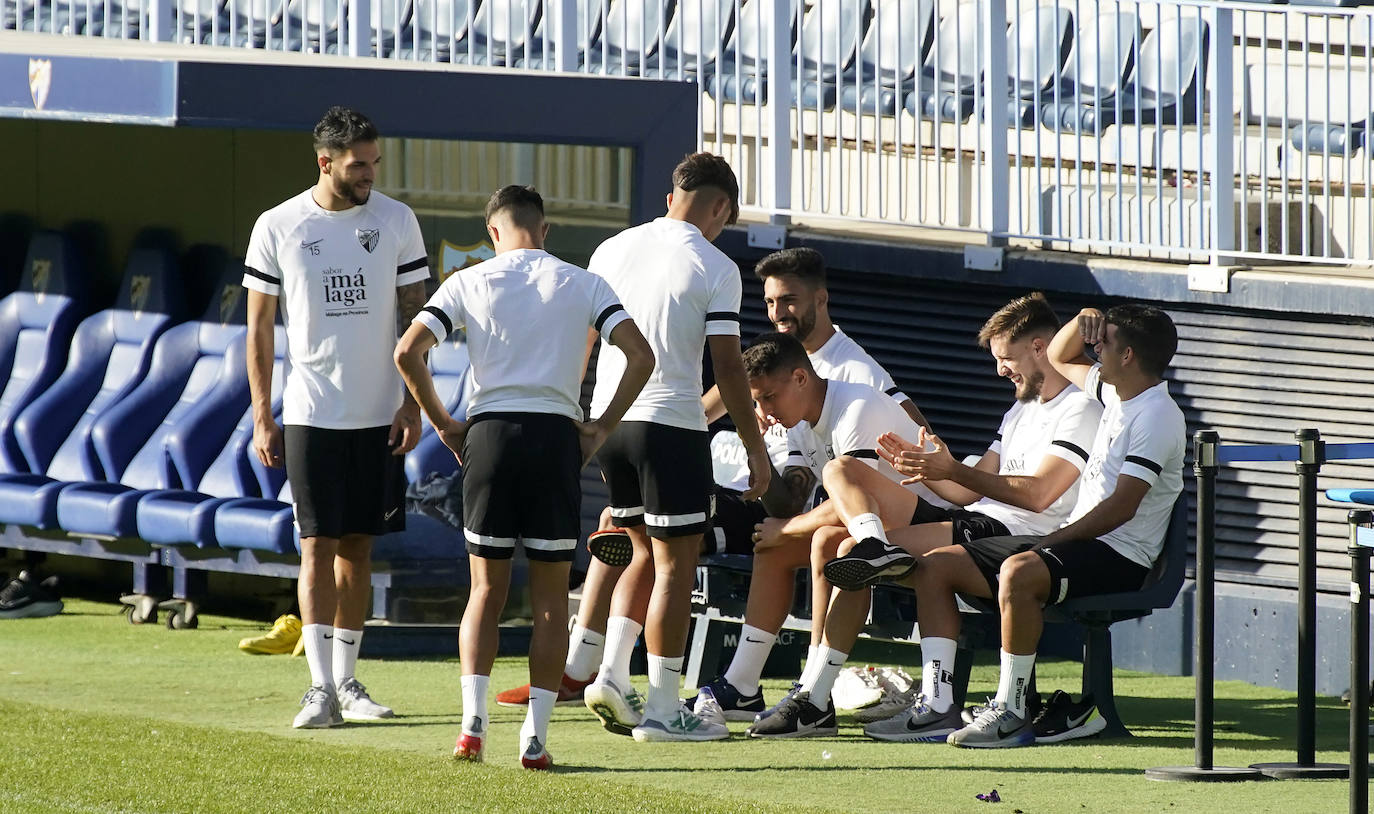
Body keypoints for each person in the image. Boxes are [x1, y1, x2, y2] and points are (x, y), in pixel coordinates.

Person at [495, 246, 920, 710]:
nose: (779, 313)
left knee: (670, 538)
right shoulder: (772, 360)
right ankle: (584, 667)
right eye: (771, 301)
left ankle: (793, 688)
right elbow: (700, 411)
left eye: (790, 301)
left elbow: (913, 437)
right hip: (781, 496)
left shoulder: (853, 371)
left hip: (845, 509)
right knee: (621, 515)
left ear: (821, 299)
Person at [751, 293, 1102, 740]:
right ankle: (818, 695)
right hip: (977, 521)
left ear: (1039, 348)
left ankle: (842, 699)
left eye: (1006, 358)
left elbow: (1039, 495)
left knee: (849, 550)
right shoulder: (1019, 410)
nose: (1000, 370)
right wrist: (925, 467)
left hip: (1019, 534)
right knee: (843, 476)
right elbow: (961, 489)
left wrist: (950, 469)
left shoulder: (1081, 408)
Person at [843, 303, 1184, 748]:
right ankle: (938, 706)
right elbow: (1061, 354)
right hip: (1082, 541)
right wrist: (1086, 316)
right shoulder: (1114, 393)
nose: (1095, 346)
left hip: (1120, 554)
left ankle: (1012, 709)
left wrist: (1053, 540)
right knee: (934, 567)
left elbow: (1121, 508)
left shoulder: (1158, 415)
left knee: (1019, 571)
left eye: (1107, 341)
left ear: (1128, 356)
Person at [394, 185, 653, 769]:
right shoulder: (583, 281)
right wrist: (601, 428)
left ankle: (471, 730)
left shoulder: (469, 280)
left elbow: (407, 351)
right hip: (556, 438)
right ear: (546, 229)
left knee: (484, 591)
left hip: (488, 436)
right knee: (549, 601)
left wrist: (443, 424)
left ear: (492, 233)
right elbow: (641, 356)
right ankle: (534, 741)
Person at [244, 106, 429, 729]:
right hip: (311, 414)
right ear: (325, 163)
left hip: (380, 417)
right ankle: (318, 688)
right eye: (359, 164)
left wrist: (411, 402)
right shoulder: (277, 225)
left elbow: (414, 323)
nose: (370, 174)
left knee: (358, 551)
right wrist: (263, 415)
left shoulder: (399, 222)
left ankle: (348, 682)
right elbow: (260, 329)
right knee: (315, 546)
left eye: (375, 162)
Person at [581, 152, 771, 743]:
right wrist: (754, 448)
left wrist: (584, 421)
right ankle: (665, 709)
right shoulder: (716, 263)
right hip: (671, 426)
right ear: (720, 209)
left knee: (641, 551)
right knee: (674, 565)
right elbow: (729, 368)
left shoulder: (610, 249)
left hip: (610, 424)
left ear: (672, 195)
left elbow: (584, 343)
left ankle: (612, 674)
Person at [691, 331, 930, 736]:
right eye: (756, 400)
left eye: (768, 396)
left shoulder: (856, 406)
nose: (763, 407)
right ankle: (742, 685)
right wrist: (757, 446)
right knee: (775, 549)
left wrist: (786, 528)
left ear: (800, 378)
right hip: (875, 527)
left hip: (926, 522)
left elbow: (855, 496)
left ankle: (813, 690)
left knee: (822, 540)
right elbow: (788, 502)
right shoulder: (799, 420)